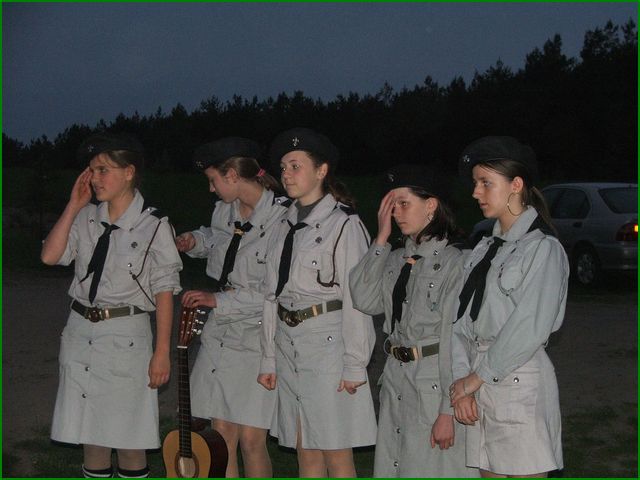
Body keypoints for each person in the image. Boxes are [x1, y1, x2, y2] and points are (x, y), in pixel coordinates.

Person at [41, 132, 183, 478]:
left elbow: (165, 291)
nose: (94, 178)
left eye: (103, 170)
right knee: (92, 438)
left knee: (129, 439)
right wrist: (73, 205)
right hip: (80, 334)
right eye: (91, 170)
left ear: (129, 172)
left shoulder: (153, 225)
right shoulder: (85, 218)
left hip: (126, 338)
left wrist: (161, 353)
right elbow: (50, 256)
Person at [257, 127, 377, 477]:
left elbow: (356, 300)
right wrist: (268, 357)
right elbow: (271, 295)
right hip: (287, 343)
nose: (286, 174)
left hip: (327, 346)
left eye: (296, 166)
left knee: (335, 450)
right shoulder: (281, 224)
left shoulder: (344, 225)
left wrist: (355, 363)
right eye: (283, 167)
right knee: (304, 448)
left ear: (321, 170)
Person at [449, 136, 569, 478]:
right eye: (475, 183)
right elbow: (458, 324)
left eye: (486, 183)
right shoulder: (482, 250)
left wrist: (475, 379)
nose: (476, 193)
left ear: (516, 185)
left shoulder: (542, 249)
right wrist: (462, 384)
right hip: (478, 383)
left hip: (519, 384)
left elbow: (529, 327)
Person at [349, 164, 478, 478]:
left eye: (404, 203)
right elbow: (363, 299)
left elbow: (454, 341)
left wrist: (448, 411)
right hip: (397, 379)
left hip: (433, 386)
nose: (396, 213)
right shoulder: (395, 258)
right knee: (397, 466)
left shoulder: (456, 262)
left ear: (431, 205)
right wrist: (380, 240)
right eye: (392, 206)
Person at [176, 137, 288, 478]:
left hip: (259, 337)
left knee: (252, 439)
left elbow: (276, 293)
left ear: (233, 175)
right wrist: (195, 241)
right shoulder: (225, 210)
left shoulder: (283, 218)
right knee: (221, 436)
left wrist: (217, 300)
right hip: (222, 335)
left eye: (213, 180)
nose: (211, 189)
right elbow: (218, 239)